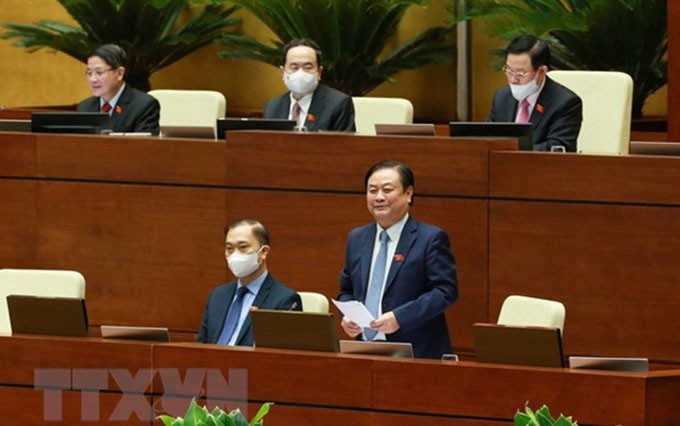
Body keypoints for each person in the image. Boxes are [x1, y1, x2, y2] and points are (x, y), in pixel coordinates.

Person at [337, 160, 458, 359]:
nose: (379, 197)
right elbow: (347, 290)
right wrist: (347, 316)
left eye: (387, 190)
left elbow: (445, 292)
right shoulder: (357, 238)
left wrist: (400, 318)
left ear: (408, 193)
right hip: (364, 350)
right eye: (372, 190)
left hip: (416, 352)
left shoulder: (430, 238)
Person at [197, 219, 302, 346]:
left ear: (264, 252)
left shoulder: (285, 300)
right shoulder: (217, 295)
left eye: (243, 247)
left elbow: (283, 357)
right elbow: (200, 346)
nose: (234, 255)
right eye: (229, 248)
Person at [487, 34, 582, 152]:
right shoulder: (502, 96)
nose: (513, 80)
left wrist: (510, 150)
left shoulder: (566, 103)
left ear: (542, 71)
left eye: (520, 74)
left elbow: (558, 148)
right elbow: (488, 137)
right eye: (509, 70)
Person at [263, 38, 356, 132]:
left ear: (319, 72)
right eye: (294, 67)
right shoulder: (273, 106)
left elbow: (344, 145)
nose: (300, 73)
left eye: (308, 67)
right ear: (283, 72)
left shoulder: (338, 104)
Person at [76, 44, 160, 135]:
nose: (93, 79)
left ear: (119, 73)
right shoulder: (85, 107)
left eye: (99, 72)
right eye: (89, 73)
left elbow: (146, 146)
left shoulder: (144, 106)